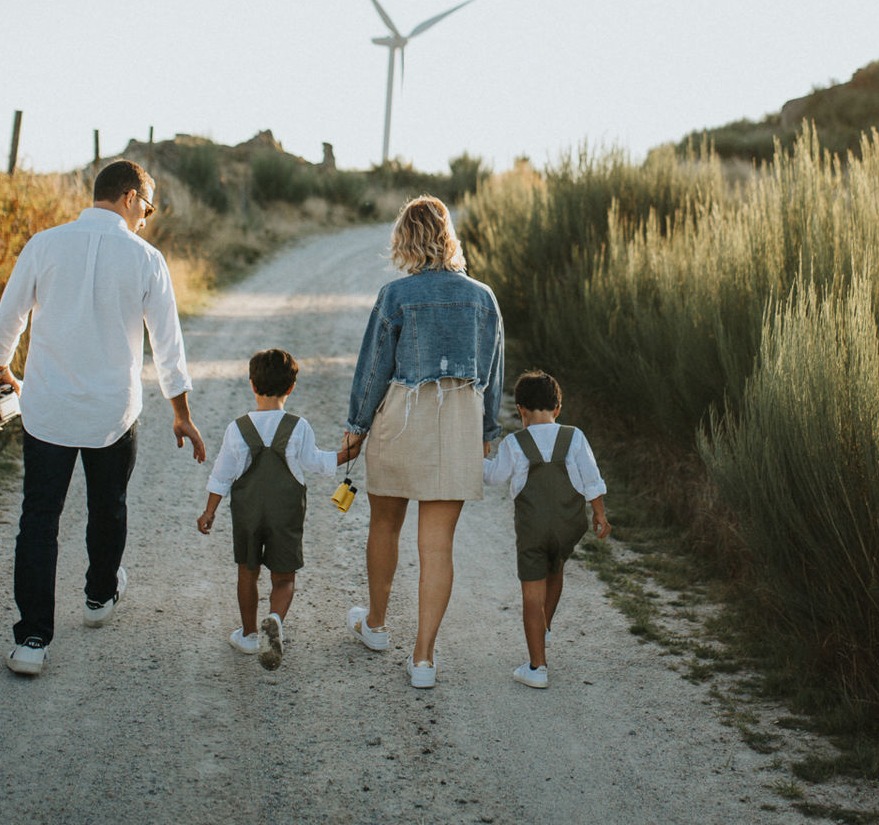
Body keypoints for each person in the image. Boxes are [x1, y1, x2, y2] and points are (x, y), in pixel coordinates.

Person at [0, 159, 204, 677]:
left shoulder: (44, 244)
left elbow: (7, 320)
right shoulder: (147, 259)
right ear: (129, 198)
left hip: (47, 410)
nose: (147, 219)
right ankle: (100, 597)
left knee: (39, 521)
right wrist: (181, 414)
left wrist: (2, 370)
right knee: (109, 507)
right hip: (112, 413)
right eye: (147, 208)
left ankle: (33, 640)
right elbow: (168, 348)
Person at [340, 195, 504, 689]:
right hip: (458, 422)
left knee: (384, 526)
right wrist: (487, 432)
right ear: (448, 236)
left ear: (404, 240)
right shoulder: (483, 297)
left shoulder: (395, 296)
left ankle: (375, 624)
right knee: (438, 547)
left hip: (403, 416)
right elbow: (493, 376)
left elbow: (374, 370)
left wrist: (356, 427)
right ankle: (424, 659)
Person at [196, 348, 355, 670]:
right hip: (286, 513)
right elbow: (318, 462)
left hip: (247, 513)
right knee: (284, 579)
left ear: (252, 385)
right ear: (291, 387)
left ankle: (250, 634)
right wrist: (350, 451)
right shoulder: (298, 426)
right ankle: (275, 618)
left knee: (247, 572)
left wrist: (209, 511)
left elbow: (222, 474)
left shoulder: (237, 428)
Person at [483, 370, 609, 688]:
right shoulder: (574, 436)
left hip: (532, 530)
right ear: (557, 409)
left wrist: (480, 458)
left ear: (521, 410)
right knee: (556, 565)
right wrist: (599, 516)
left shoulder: (515, 443)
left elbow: (495, 477)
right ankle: (545, 628)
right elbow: (592, 479)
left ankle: (537, 668)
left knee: (531, 594)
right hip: (568, 527)